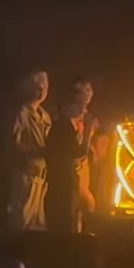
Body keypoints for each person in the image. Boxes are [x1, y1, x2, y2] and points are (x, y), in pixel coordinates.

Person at [46, 78, 99, 234]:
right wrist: (88, 132)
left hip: (74, 184)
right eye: (81, 105)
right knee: (68, 226)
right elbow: (78, 152)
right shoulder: (63, 126)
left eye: (86, 105)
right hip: (66, 186)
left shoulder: (72, 125)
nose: (84, 110)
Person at [8, 70, 52, 231]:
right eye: (38, 87)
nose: (42, 91)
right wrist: (32, 152)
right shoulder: (22, 113)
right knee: (23, 220)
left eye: (45, 87)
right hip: (26, 175)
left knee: (38, 222)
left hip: (42, 175)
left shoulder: (45, 116)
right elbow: (13, 142)